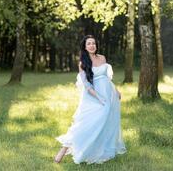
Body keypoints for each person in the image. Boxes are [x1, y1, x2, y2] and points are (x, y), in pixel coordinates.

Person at [54, 35, 127, 164]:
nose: (92, 45)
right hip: (93, 96)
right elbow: (87, 85)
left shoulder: (102, 58)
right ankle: (64, 148)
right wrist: (99, 98)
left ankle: (99, 151)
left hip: (109, 94)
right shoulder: (83, 63)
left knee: (106, 122)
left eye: (93, 43)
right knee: (86, 124)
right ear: (85, 47)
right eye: (89, 44)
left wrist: (116, 91)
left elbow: (107, 79)